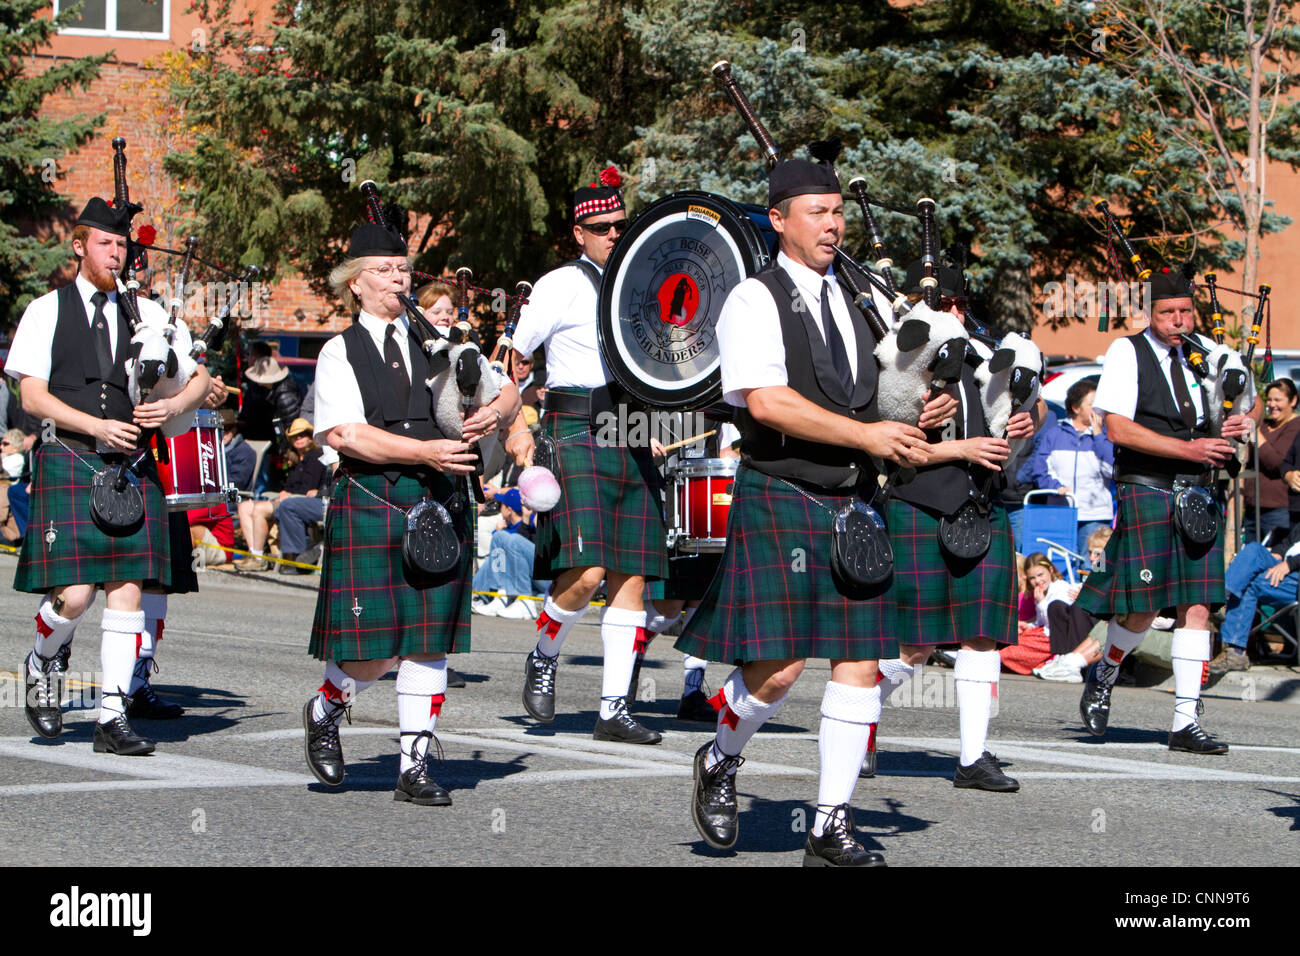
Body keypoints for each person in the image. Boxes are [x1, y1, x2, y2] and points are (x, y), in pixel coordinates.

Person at [676, 152, 950, 865]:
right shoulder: (753, 299)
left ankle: (829, 822)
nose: (832, 225)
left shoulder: (862, 300)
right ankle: (721, 756)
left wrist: (919, 408)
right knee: (780, 669)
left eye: (837, 211)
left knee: (862, 660)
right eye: (817, 212)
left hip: (856, 499)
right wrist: (867, 433)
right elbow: (768, 401)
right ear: (778, 221)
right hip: (785, 493)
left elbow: (880, 395)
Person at [300, 218, 520, 804]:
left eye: (403, 269)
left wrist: (492, 416)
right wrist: (425, 450)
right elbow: (346, 434)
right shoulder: (337, 352)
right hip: (376, 498)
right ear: (356, 284)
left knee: (426, 641)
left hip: (442, 502)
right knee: (373, 655)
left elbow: (510, 390)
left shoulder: (442, 344)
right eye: (384, 270)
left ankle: (415, 766)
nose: (398, 278)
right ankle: (327, 709)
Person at [9, 197, 209, 754]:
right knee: (73, 596)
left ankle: (112, 718)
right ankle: (43, 659)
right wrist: (94, 426)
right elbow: (30, 394)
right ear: (80, 247)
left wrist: (171, 409)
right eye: (106, 243)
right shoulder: (46, 310)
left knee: (127, 589)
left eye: (122, 245)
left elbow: (198, 380)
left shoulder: (147, 316)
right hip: (70, 456)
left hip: (131, 466)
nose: (116, 254)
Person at [509, 165, 668, 745]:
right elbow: (514, 357)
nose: (613, 235)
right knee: (587, 573)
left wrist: (645, 419)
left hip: (627, 428)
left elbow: (651, 368)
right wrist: (517, 428)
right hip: (575, 425)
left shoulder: (641, 287)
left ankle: (613, 709)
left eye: (621, 226)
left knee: (631, 577)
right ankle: (545, 652)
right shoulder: (559, 285)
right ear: (579, 232)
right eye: (602, 227)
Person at [869, 260, 1038, 791]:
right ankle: (862, 719)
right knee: (914, 645)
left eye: (951, 306)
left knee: (982, 635)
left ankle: (973, 757)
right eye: (938, 307)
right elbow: (890, 448)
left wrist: (1025, 423)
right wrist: (958, 447)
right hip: (918, 503)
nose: (948, 315)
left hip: (981, 509)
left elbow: (1011, 439)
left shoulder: (986, 363)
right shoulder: (903, 361)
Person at [1074, 267, 1251, 754]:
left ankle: (1185, 721)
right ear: (1149, 314)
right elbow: (1117, 429)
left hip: (1198, 494)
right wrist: (1189, 450)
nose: (1178, 321)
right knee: (1143, 609)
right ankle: (1105, 672)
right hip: (1148, 487)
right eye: (1168, 313)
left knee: (1196, 606)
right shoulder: (1126, 352)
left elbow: (1252, 397)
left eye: (1185, 312)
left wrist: (1240, 419)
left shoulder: (1208, 355)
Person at [1029, 376, 1115, 556]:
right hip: (1061, 512)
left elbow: (1112, 468)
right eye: (1092, 404)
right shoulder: (1054, 435)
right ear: (1076, 408)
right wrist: (1056, 487)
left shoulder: (1105, 436)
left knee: (1096, 565)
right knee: (1062, 564)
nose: (1098, 410)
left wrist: (1099, 435)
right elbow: (1039, 471)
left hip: (1095, 515)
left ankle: (1093, 585)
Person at [234, 416, 328, 573]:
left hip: (300, 501)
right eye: (294, 436)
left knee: (259, 509)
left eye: (302, 434)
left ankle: (258, 559)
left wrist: (287, 494)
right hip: (286, 498)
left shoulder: (315, 457)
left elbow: (309, 489)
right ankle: (255, 554)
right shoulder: (295, 459)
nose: (298, 439)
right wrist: (284, 492)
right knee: (244, 506)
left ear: (310, 437)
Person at [1213, 520, 1300, 674]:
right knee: (1253, 551)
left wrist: (1289, 564)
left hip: (1295, 579)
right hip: (1284, 571)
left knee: (1250, 582)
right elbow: (1287, 543)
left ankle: (1219, 602)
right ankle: (1235, 652)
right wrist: (1277, 554)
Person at [1244, 379, 1300, 543]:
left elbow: (1277, 462)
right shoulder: (1265, 425)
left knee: (1274, 559)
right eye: (1269, 400)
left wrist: (1255, 432)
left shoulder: (1295, 427)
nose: (1272, 404)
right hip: (1252, 509)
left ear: (1293, 401)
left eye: (1278, 400)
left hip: (1278, 510)